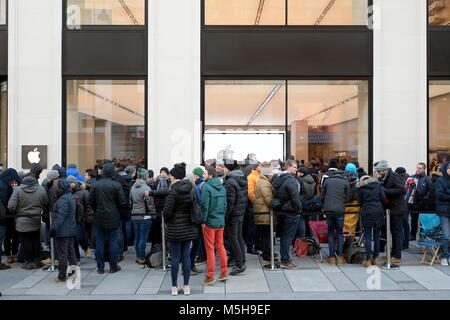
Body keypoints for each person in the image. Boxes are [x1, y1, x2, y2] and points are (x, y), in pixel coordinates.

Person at [162, 163, 198, 296]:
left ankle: (174, 287)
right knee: (186, 257)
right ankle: (187, 286)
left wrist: (168, 220)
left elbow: (167, 211)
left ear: (174, 177)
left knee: (176, 257)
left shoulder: (173, 191)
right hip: (188, 226)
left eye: (171, 175)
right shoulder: (191, 189)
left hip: (174, 228)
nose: (170, 177)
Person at [89, 162, 127, 274]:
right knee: (113, 242)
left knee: (99, 242)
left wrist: (97, 209)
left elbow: (91, 201)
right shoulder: (116, 185)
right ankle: (113, 266)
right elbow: (122, 202)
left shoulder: (96, 184)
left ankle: (100, 267)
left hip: (99, 216)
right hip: (113, 216)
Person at [8, 174, 49, 270]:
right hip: (36, 218)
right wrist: (39, 209)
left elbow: (11, 206)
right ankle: (36, 259)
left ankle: (28, 261)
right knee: (35, 240)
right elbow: (46, 202)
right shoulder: (41, 189)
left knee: (25, 240)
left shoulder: (18, 190)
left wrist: (16, 212)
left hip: (22, 219)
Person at [375, 160, 407, 264]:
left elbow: (402, 190)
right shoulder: (386, 177)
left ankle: (397, 256)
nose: (378, 173)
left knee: (396, 233)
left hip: (397, 209)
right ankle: (392, 254)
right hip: (391, 209)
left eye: (379, 171)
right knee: (393, 232)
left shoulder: (393, 176)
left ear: (384, 170)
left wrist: (385, 190)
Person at [200, 166, 228, 286]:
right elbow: (225, 205)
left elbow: (205, 205)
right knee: (220, 246)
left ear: (210, 175)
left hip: (210, 221)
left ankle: (210, 275)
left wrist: (203, 220)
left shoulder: (206, 186)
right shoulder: (222, 187)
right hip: (220, 220)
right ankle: (224, 272)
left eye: (205, 173)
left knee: (210, 248)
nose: (203, 175)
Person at [272, 160, 302, 269]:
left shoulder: (279, 179)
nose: (296, 169)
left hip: (282, 210)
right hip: (291, 211)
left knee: (285, 236)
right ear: (288, 167)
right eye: (294, 167)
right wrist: (299, 210)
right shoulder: (290, 180)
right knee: (287, 237)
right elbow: (295, 197)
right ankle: (285, 260)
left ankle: (285, 258)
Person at [321, 165, 350, 266]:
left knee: (330, 233)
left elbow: (322, 196)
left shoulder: (327, 181)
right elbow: (347, 198)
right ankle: (341, 257)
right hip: (340, 210)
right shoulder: (345, 182)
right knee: (339, 233)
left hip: (328, 210)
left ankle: (332, 257)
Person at [49, 179, 77, 282]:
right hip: (70, 229)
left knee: (63, 254)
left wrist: (53, 229)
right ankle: (73, 274)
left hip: (62, 231)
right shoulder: (70, 197)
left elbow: (60, 216)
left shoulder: (63, 200)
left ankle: (62, 275)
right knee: (71, 253)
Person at [356, 175, 386, 267]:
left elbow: (360, 201)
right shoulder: (378, 186)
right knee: (377, 236)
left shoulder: (361, 188)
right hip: (378, 210)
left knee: (368, 236)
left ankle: (368, 259)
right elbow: (383, 198)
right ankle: (375, 258)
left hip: (367, 210)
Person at [224, 165, 248, 276]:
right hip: (240, 213)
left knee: (234, 239)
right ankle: (242, 261)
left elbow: (230, 203)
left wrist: (225, 217)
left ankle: (239, 265)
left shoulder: (230, 183)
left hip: (233, 215)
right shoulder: (242, 181)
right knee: (239, 238)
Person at [130, 168, 155, 265]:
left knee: (137, 237)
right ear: (145, 177)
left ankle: (138, 255)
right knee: (143, 238)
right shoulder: (146, 188)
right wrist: (153, 214)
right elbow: (150, 204)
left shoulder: (133, 187)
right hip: (145, 215)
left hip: (135, 215)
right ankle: (141, 257)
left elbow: (130, 200)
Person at [66, 175, 92, 262]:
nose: (71, 184)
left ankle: (85, 248)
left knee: (80, 237)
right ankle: (77, 258)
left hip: (81, 219)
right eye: (69, 183)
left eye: (72, 182)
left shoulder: (84, 192)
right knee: (74, 240)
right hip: (71, 220)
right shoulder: (67, 193)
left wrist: (89, 218)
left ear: (76, 182)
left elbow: (88, 206)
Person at [0, 169, 21, 269]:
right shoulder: (5, 188)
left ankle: (15, 254)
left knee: (15, 235)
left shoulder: (16, 189)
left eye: (15, 182)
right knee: (8, 235)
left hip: (14, 216)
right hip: (7, 216)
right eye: (12, 182)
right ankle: (9, 254)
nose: (13, 184)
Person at [254, 169, 276, 262]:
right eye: (271, 172)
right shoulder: (265, 183)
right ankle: (267, 253)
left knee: (265, 234)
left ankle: (267, 252)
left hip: (262, 212)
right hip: (265, 213)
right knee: (267, 235)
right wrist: (277, 203)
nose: (273, 174)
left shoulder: (262, 182)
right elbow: (268, 199)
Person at [409, 163, 432, 241]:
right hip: (414, 202)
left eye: (420, 168)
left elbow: (430, 191)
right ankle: (412, 235)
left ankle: (422, 236)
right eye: (417, 168)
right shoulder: (412, 177)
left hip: (423, 203)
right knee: (413, 220)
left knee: (423, 220)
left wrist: (424, 200)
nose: (418, 169)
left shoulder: (428, 178)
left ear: (424, 169)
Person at [190, 167, 207, 271]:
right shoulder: (200, 184)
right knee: (200, 237)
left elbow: (201, 201)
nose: (194, 176)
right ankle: (201, 255)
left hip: (198, 215)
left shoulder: (198, 185)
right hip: (199, 214)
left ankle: (201, 256)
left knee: (199, 238)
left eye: (195, 174)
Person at [436, 162, 450, 266]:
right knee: (446, 235)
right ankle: (444, 256)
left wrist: (447, 192)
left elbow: (444, 193)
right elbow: (439, 194)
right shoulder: (440, 180)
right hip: (444, 211)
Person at [245, 162, 262, 254]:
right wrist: (256, 202)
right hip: (254, 205)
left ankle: (257, 244)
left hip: (259, 205)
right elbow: (250, 192)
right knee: (252, 227)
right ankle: (250, 246)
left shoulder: (260, 175)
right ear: (256, 167)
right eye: (260, 165)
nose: (262, 167)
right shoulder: (251, 177)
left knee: (258, 226)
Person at [343, 163, 360, 239]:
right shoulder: (356, 178)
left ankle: (343, 240)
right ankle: (350, 241)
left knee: (344, 223)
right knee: (352, 224)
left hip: (344, 203)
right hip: (355, 204)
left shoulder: (342, 177)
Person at [395, 167, 410, 249]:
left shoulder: (399, 180)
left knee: (400, 225)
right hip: (407, 205)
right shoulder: (409, 179)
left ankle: (401, 243)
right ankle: (406, 243)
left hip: (400, 204)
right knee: (406, 225)